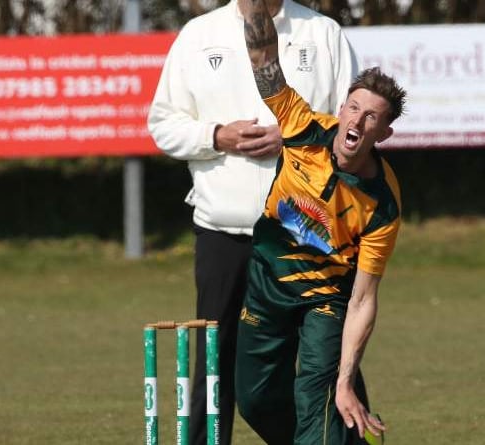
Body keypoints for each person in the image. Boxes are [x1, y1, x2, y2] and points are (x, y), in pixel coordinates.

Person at [147, 1, 358, 443]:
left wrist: (298, 135)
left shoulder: (322, 32)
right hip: (225, 230)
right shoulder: (199, 34)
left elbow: (351, 125)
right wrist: (216, 135)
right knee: (215, 361)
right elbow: (163, 123)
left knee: (327, 358)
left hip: (306, 235)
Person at [235, 0, 407, 443]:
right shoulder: (302, 127)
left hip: (326, 300)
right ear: (342, 108)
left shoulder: (382, 204)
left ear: (383, 133)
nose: (358, 121)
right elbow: (264, 59)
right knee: (254, 400)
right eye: (354, 108)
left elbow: (363, 299)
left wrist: (347, 379)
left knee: (319, 402)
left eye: (371, 117)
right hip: (268, 279)